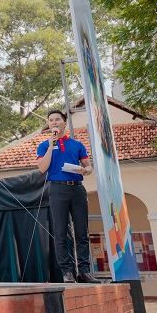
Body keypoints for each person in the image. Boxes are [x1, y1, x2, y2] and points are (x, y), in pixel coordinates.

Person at [36, 109, 99, 284]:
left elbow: (88, 167)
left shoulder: (77, 145)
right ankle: (67, 272)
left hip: (77, 189)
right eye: (51, 120)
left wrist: (84, 171)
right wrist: (51, 145)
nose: (54, 122)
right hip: (57, 189)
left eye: (57, 119)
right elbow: (42, 168)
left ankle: (84, 272)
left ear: (64, 122)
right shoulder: (44, 145)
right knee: (61, 232)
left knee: (82, 232)